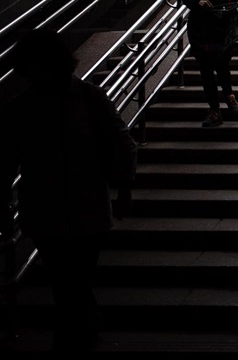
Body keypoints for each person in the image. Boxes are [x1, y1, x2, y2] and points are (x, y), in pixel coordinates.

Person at [0, 28, 136, 351]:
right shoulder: (24, 108)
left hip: (69, 206)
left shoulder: (84, 98)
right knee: (71, 278)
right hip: (61, 208)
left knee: (69, 279)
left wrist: (124, 188)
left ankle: (74, 331)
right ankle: (82, 328)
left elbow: (121, 143)